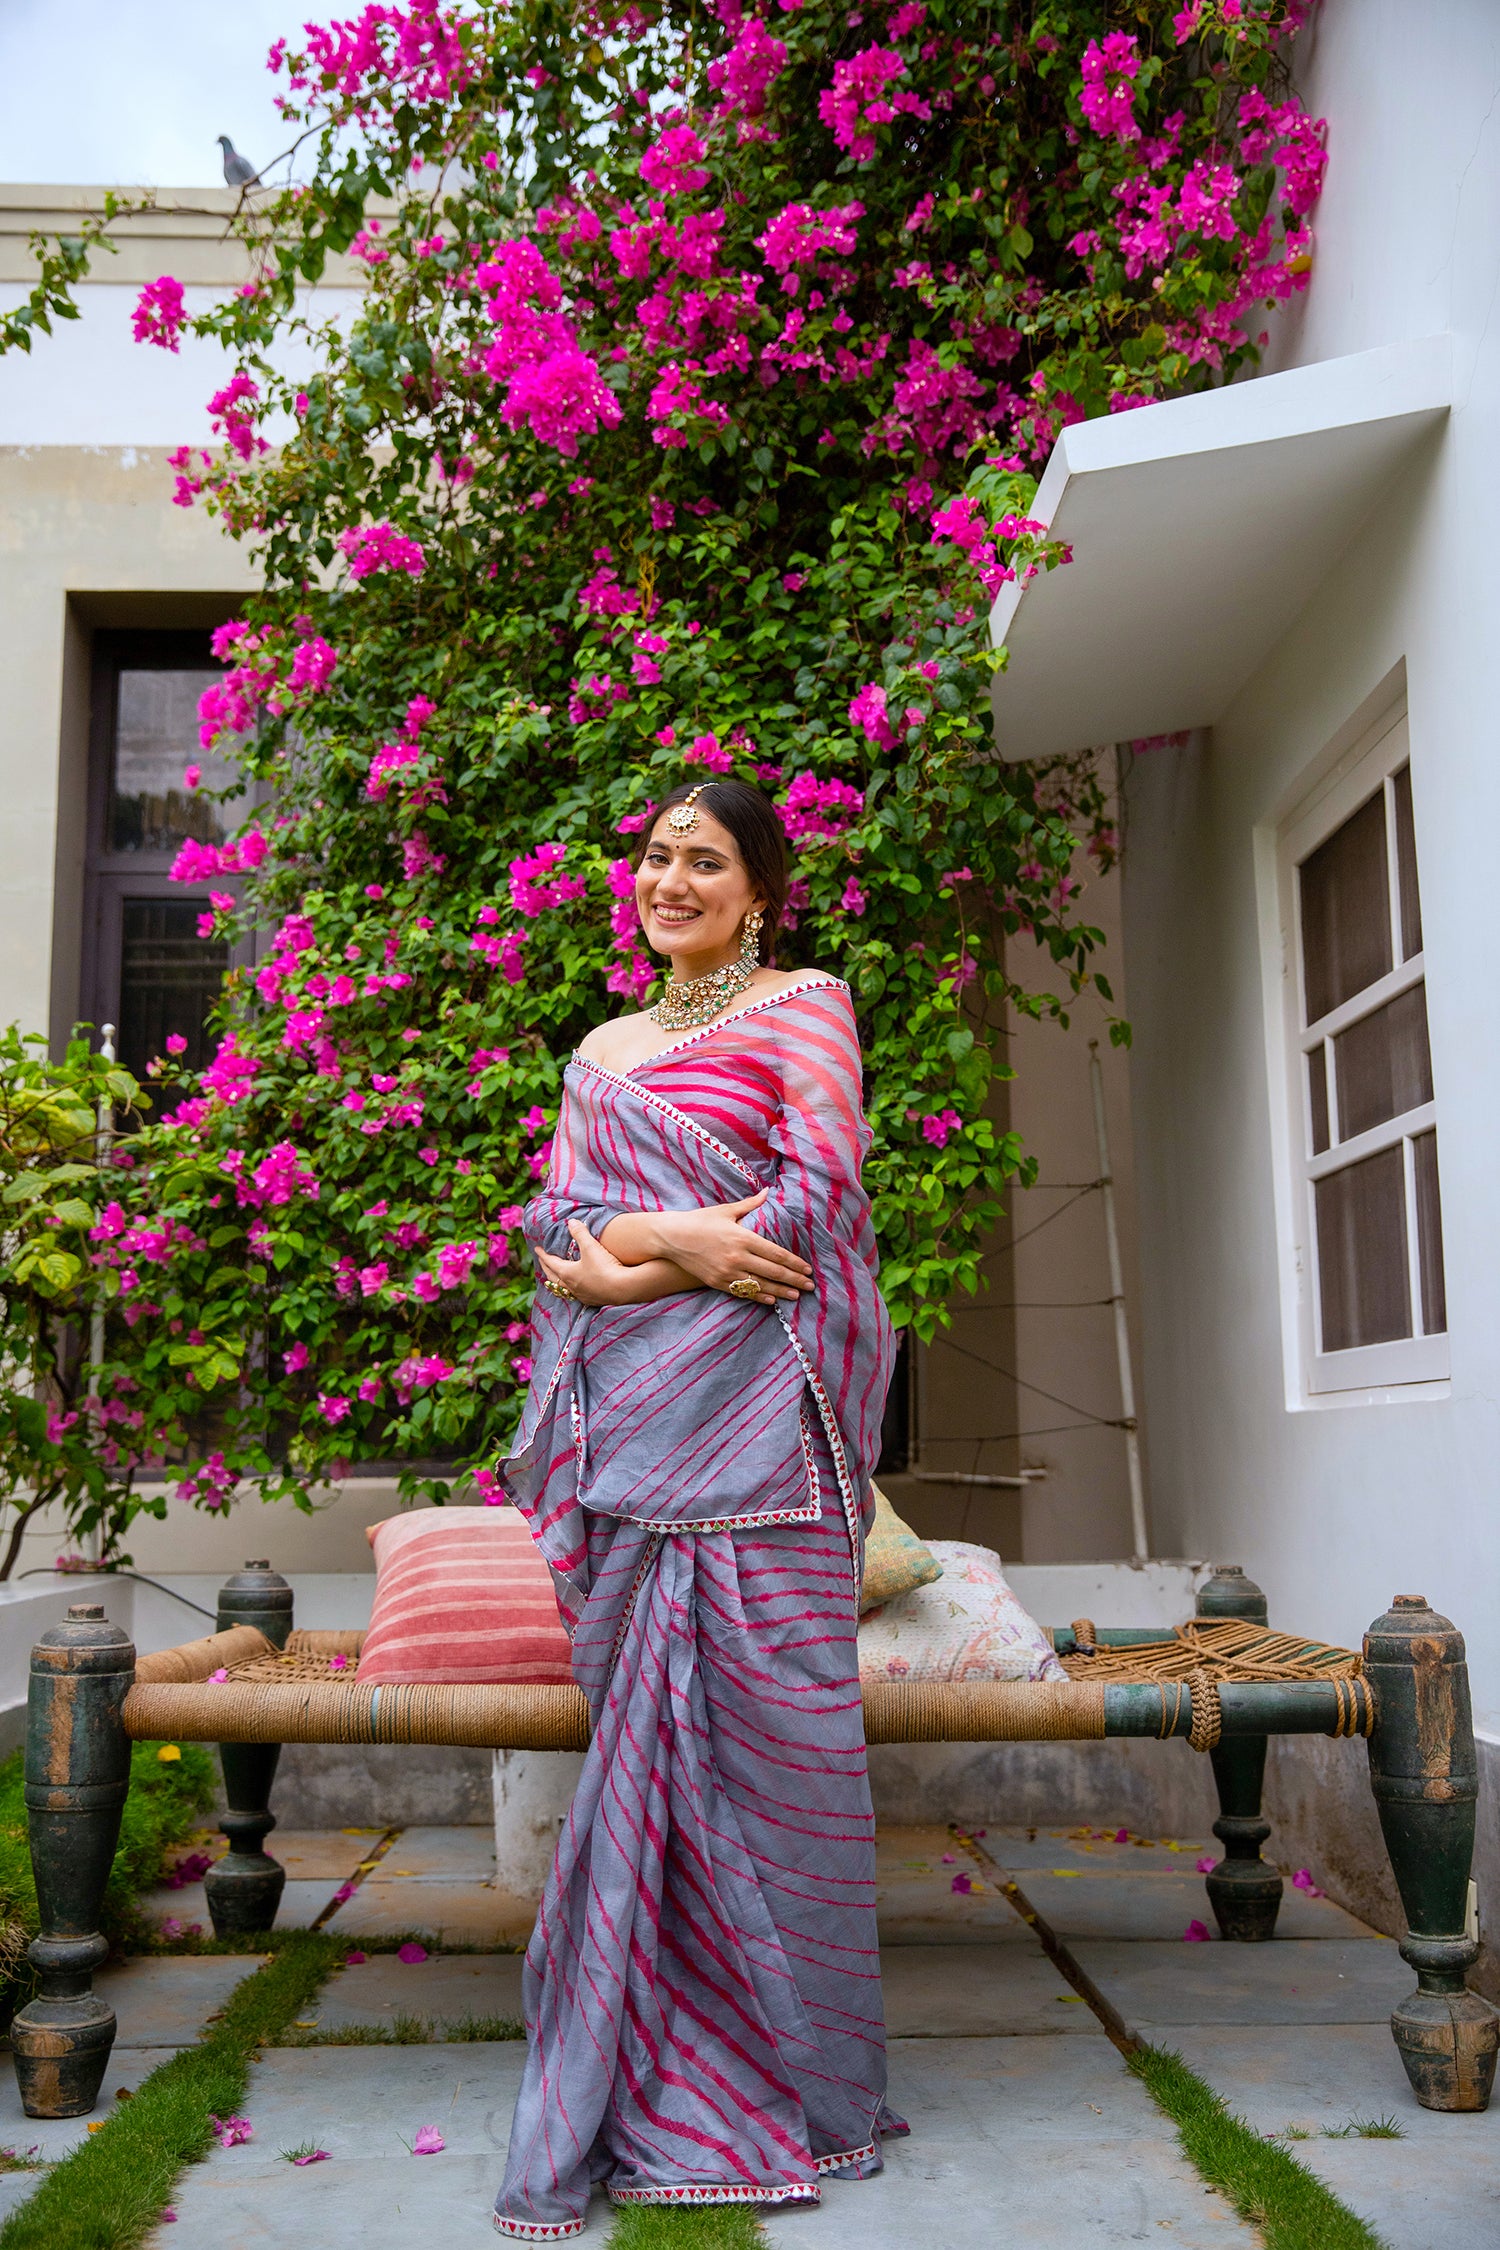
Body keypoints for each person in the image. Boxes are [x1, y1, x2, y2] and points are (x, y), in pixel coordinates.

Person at [492, 777, 904, 2238]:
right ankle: (643, 2047)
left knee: (787, 1753)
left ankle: (803, 2079)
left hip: (764, 1457)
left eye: (705, 858)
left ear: (758, 890)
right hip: (635, 1456)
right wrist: (661, 1240)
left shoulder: (806, 1003)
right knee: (645, 1754)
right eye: (658, 852)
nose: (671, 876)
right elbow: (556, 1230)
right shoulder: (605, 1048)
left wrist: (636, 1260)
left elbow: (817, 1198)